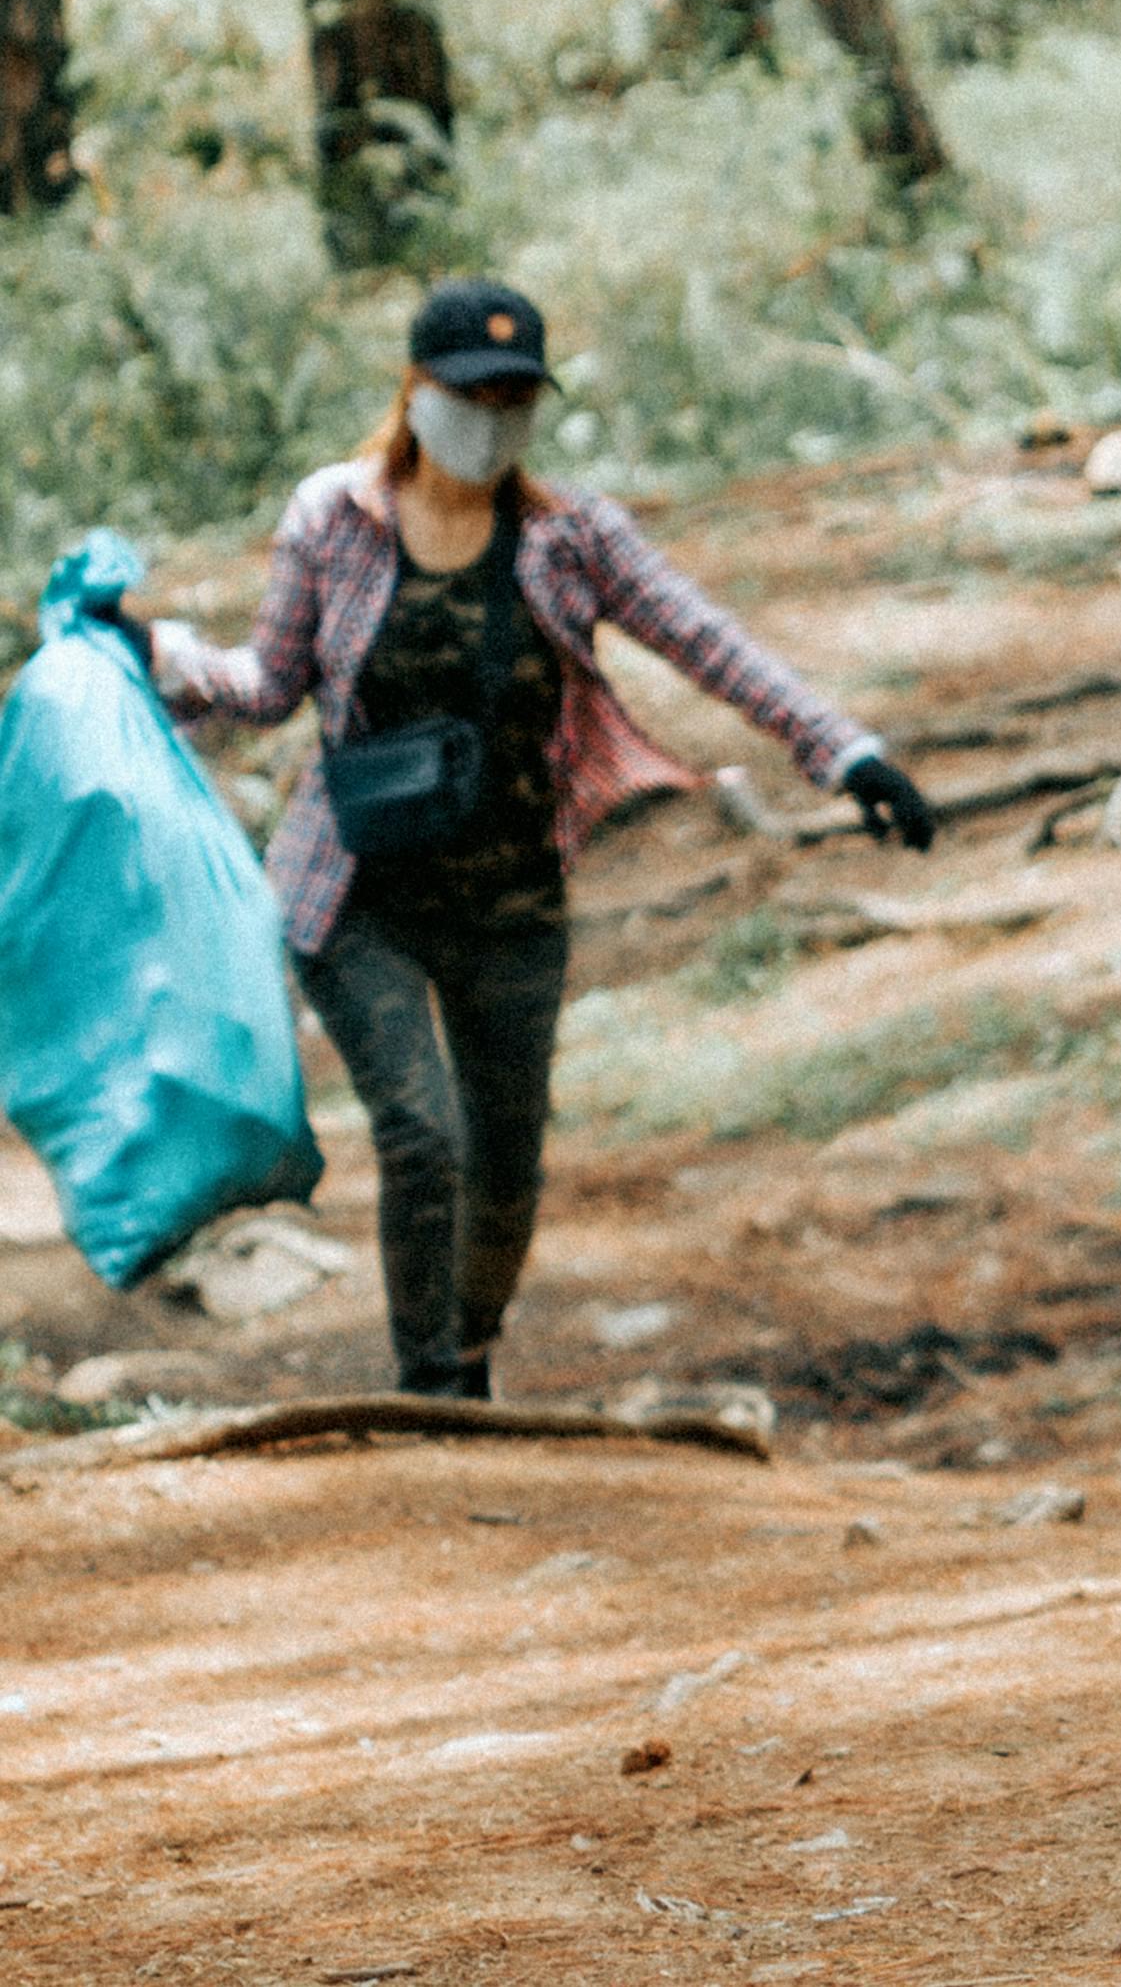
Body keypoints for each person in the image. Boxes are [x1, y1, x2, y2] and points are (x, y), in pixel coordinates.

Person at [152, 278, 940, 1400]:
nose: (492, 415)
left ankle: (468, 1353)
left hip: (512, 901)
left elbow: (706, 641)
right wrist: (163, 667)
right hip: (357, 892)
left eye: (517, 394)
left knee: (506, 1165)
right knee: (424, 1137)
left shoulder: (574, 537)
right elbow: (270, 684)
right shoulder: (334, 517)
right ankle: (429, 1387)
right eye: (471, 391)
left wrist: (845, 752)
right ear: (416, 390)